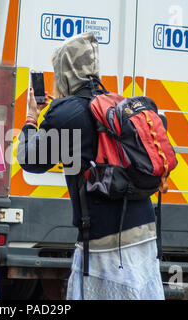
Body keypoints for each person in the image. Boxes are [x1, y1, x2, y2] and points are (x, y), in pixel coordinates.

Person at [17, 32, 165, 300]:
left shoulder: (65, 113)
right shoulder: (119, 104)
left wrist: (31, 118)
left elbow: (31, 160)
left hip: (104, 244)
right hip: (144, 232)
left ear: (65, 72)